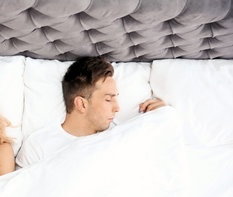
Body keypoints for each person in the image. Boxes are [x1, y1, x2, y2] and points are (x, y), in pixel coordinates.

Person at [16, 56, 166, 168]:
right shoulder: (39, 146)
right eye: (108, 99)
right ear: (81, 104)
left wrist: (160, 118)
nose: (117, 108)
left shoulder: (120, 133)